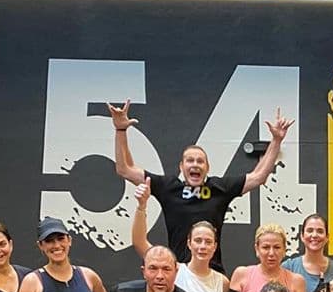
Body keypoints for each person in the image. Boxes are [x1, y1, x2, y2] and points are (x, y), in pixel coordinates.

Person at [110, 101, 294, 272]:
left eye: (200, 161)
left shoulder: (219, 188)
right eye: (190, 160)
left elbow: (258, 176)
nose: (195, 164)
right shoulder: (168, 187)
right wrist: (120, 130)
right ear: (182, 167)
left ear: (207, 168)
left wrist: (276, 141)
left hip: (212, 271)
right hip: (179, 272)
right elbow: (124, 169)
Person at [132, 179, 226, 292]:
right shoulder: (174, 271)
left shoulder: (222, 282)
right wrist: (141, 207)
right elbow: (139, 241)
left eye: (208, 241)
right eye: (198, 240)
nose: (202, 246)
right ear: (189, 243)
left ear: (215, 246)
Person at [227, 223, 307, 292]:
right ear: (257, 249)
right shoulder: (242, 274)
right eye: (265, 247)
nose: (271, 253)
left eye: (277, 247)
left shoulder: (296, 281)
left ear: (284, 250)